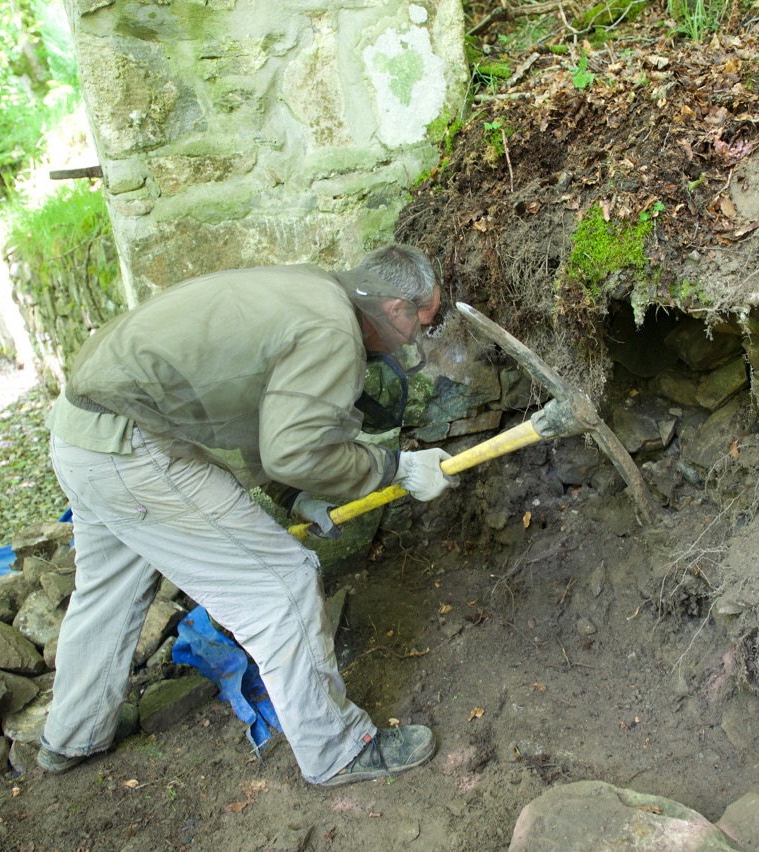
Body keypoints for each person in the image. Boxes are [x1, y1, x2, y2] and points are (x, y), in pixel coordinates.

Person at [37, 244, 457, 786]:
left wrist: (291, 496)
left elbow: (250, 407)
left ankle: (70, 736)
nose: (413, 341)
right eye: (418, 325)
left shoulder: (310, 287)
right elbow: (294, 449)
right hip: (134, 450)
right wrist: (394, 467)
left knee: (109, 588)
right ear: (396, 306)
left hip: (83, 434)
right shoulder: (332, 330)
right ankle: (339, 751)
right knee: (282, 584)